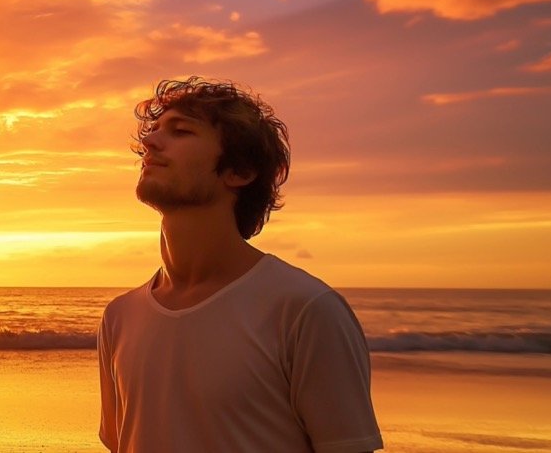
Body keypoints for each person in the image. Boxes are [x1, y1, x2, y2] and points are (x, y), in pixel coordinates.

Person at [98, 77, 383, 452]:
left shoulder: (305, 310)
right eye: (154, 131)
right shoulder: (121, 317)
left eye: (181, 131)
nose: (150, 142)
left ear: (240, 171)